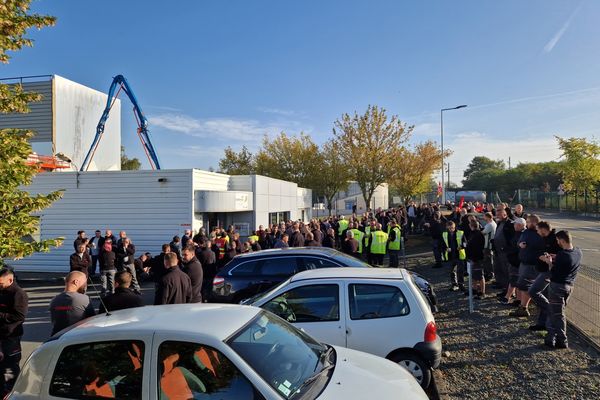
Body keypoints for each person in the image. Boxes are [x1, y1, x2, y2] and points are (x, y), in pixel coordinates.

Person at [538, 230, 581, 349]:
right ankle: (551, 338)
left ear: (562, 240)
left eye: (558, 241)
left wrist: (549, 262)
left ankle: (561, 340)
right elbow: (567, 261)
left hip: (558, 286)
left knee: (557, 314)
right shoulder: (577, 252)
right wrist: (555, 257)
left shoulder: (563, 255)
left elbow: (553, 272)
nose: (557, 243)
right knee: (555, 312)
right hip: (569, 286)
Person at [528, 221, 561, 332]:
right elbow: (539, 251)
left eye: (538, 230)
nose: (537, 232)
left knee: (533, 291)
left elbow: (564, 254)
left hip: (549, 271)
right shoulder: (543, 238)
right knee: (544, 297)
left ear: (543, 229)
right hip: (541, 269)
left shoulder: (556, 239)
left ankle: (551, 313)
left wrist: (552, 259)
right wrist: (541, 256)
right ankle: (543, 323)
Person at [0, 268, 28, 396]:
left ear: (10, 280)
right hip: (1, 335)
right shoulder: (2, 291)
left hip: (11, 335)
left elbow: (19, 316)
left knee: (9, 365)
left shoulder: (19, 294)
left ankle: (12, 390)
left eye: (1, 283)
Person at [510, 215, 544, 318]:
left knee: (526, 286)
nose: (527, 224)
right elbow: (518, 242)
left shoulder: (540, 233)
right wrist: (520, 244)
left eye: (528, 222)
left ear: (534, 223)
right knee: (522, 285)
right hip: (524, 262)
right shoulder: (526, 232)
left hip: (532, 264)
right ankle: (522, 306)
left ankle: (524, 307)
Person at [49, 271, 96, 335]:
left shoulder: (54, 300)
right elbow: (93, 320)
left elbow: (55, 322)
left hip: (57, 338)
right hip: (77, 337)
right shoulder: (84, 299)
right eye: (85, 282)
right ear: (76, 282)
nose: (86, 285)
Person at [441, 221, 466, 292]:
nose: (451, 229)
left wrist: (461, 247)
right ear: (447, 227)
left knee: (460, 271)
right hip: (450, 256)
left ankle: (461, 284)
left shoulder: (460, 233)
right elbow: (442, 245)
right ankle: (454, 284)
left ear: (454, 227)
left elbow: (465, 243)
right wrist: (446, 249)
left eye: (452, 228)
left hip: (459, 255)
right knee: (452, 271)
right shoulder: (444, 234)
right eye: (450, 228)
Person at [466, 220, 486, 299]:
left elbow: (478, 248)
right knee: (473, 275)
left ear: (472, 226)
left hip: (477, 258)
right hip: (472, 257)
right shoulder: (473, 233)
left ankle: (482, 292)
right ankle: (474, 289)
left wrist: (474, 258)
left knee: (480, 275)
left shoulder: (478, 235)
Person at [481, 212, 497, 282]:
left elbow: (483, 233)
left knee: (487, 261)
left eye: (484, 216)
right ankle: (489, 273)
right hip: (489, 245)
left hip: (488, 246)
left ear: (488, 217)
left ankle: (489, 274)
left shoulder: (490, 225)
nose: (483, 218)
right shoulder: (492, 223)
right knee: (488, 260)